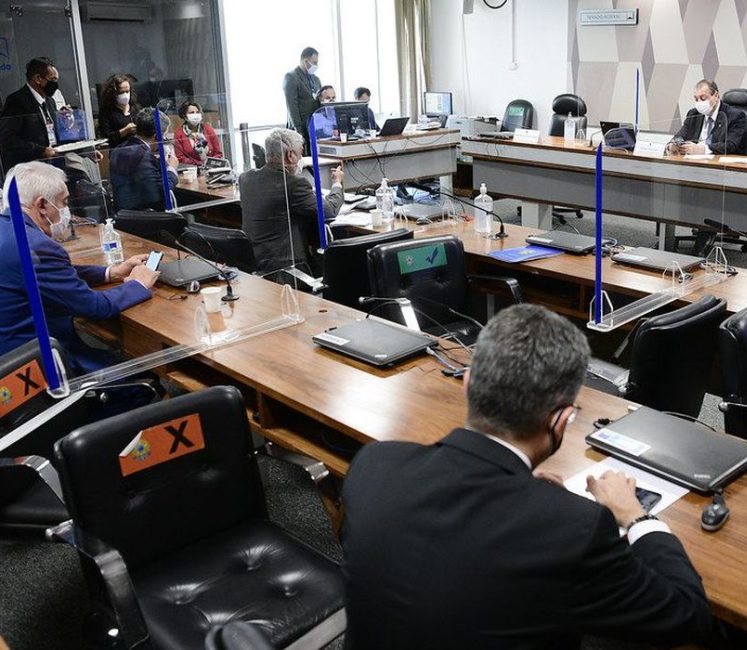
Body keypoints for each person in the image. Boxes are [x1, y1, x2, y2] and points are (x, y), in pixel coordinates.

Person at [341, 304, 714, 649]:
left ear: (468, 383)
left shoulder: (374, 464)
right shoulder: (574, 530)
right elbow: (688, 616)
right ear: (561, 419)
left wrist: (532, 498)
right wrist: (636, 516)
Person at [0, 161, 158, 374]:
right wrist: (138, 283)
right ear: (42, 205)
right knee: (146, 378)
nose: (67, 212)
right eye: (64, 203)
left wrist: (111, 272)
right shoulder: (36, 246)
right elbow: (95, 307)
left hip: (12, 355)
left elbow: (53, 273)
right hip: (43, 367)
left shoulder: (8, 230)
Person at [239, 128, 343, 277]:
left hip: (255, 261)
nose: (301, 158)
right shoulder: (293, 184)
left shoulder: (246, 178)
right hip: (288, 268)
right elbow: (329, 210)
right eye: (300, 153)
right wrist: (337, 183)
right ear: (290, 155)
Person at [109, 108, 179, 212]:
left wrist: (157, 163)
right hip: (144, 218)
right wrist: (171, 168)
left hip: (123, 214)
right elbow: (162, 190)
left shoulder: (119, 149)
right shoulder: (142, 156)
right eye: (164, 137)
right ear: (156, 136)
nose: (164, 141)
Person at [0, 57, 60, 172]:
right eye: (52, 80)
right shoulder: (17, 101)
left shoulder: (50, 102)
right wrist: (41, 150)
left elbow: (56, 132)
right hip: (28, 169)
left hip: (52, 165)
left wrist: (85, 151)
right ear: (38, 78)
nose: (55, 85)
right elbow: (8, 139)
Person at [667, 79, 746, 156]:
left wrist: (703, 149)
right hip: (694, 163)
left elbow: (730, 145)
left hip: (720, 164)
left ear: (716, 95)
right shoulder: (693, 114)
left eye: (703, 98)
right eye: (696, 99)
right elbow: (680, 135)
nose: (699, 103)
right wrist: (673, 144)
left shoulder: (734, 116)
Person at [284, 46, 322, 150]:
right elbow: (292, 105)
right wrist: (298, 130)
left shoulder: (316, 79)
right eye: (314, 63)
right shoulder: (292, 77)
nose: (316, 66)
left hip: (313, 126)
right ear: (305, 61)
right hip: (300, 127)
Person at [173, 100, 223, 166]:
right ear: (185, 116)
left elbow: (218, 153)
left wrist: (210, 163)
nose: (195, 115)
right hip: (192, 171)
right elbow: (181, 158)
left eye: (197, 112)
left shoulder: (208, 129)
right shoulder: (179, 134)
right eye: (191, 112)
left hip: (212, 168)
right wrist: (200, 164)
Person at [97, 74, 139, 148]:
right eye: (121, 92)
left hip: (137, 149)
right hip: (118, 152)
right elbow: (105, 138)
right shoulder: (106, 112)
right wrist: (124, 131)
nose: (125, 95)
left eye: (127, 91)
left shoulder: (135, 108)